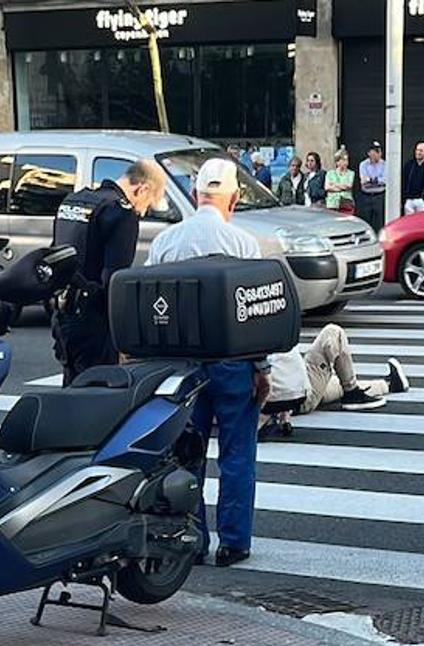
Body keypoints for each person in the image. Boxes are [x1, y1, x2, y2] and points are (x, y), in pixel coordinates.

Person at [145, 158, 269, 568]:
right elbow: (254, 316)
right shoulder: (243, 244)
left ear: (197, 195)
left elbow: (146, 302)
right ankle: (234, 543)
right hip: (233, 365)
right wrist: (262, 370)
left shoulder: (167, 242)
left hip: (182, 368)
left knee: (185, 453)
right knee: (237, 456)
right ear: (232, 198)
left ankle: (191, 538)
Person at [50, 159, 167, 385]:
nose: (142, 212)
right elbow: (115, 282)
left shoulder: (74, 201)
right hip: (95, 322)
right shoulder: (121, 213)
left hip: (63, 318)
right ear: (141, 189)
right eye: (147, 204)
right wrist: (124, 337)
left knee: (71, 392)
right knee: (96, 398)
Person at [269, 325, 409, 416]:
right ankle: (352, 392)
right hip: (296, 393)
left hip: (294, 387)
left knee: (336, 384)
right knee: (333, 333)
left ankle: (390, 385)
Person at [357, 141, 387, 231]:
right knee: (366, 222)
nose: (378, 154)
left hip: (379, 196)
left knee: (380, 222)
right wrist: (376, 180)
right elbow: (363, 181)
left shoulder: (385, 164)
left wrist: (370, 180)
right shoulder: (363, 164)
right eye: (376, 151)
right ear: (369, 153)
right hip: (366, 196)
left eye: (379, 151)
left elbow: (384, 180)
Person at [402, 141, 424, 214]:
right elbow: (403, 181)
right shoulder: (409, 165)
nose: (418, 152)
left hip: (423, 201)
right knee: (409, 223)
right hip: (410, 201)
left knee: (423, 224)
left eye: (421, 150)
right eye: (417, 150)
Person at [325, 148, 355, 214]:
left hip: (346, 203)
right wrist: (342, 187)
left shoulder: (351, 173)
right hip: (332, 203)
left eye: (347, 160)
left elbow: (348, 186)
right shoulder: (330, 173)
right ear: (337, 162)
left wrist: (334, 184)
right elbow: (327, 187)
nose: (346, 162)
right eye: (343, 160)